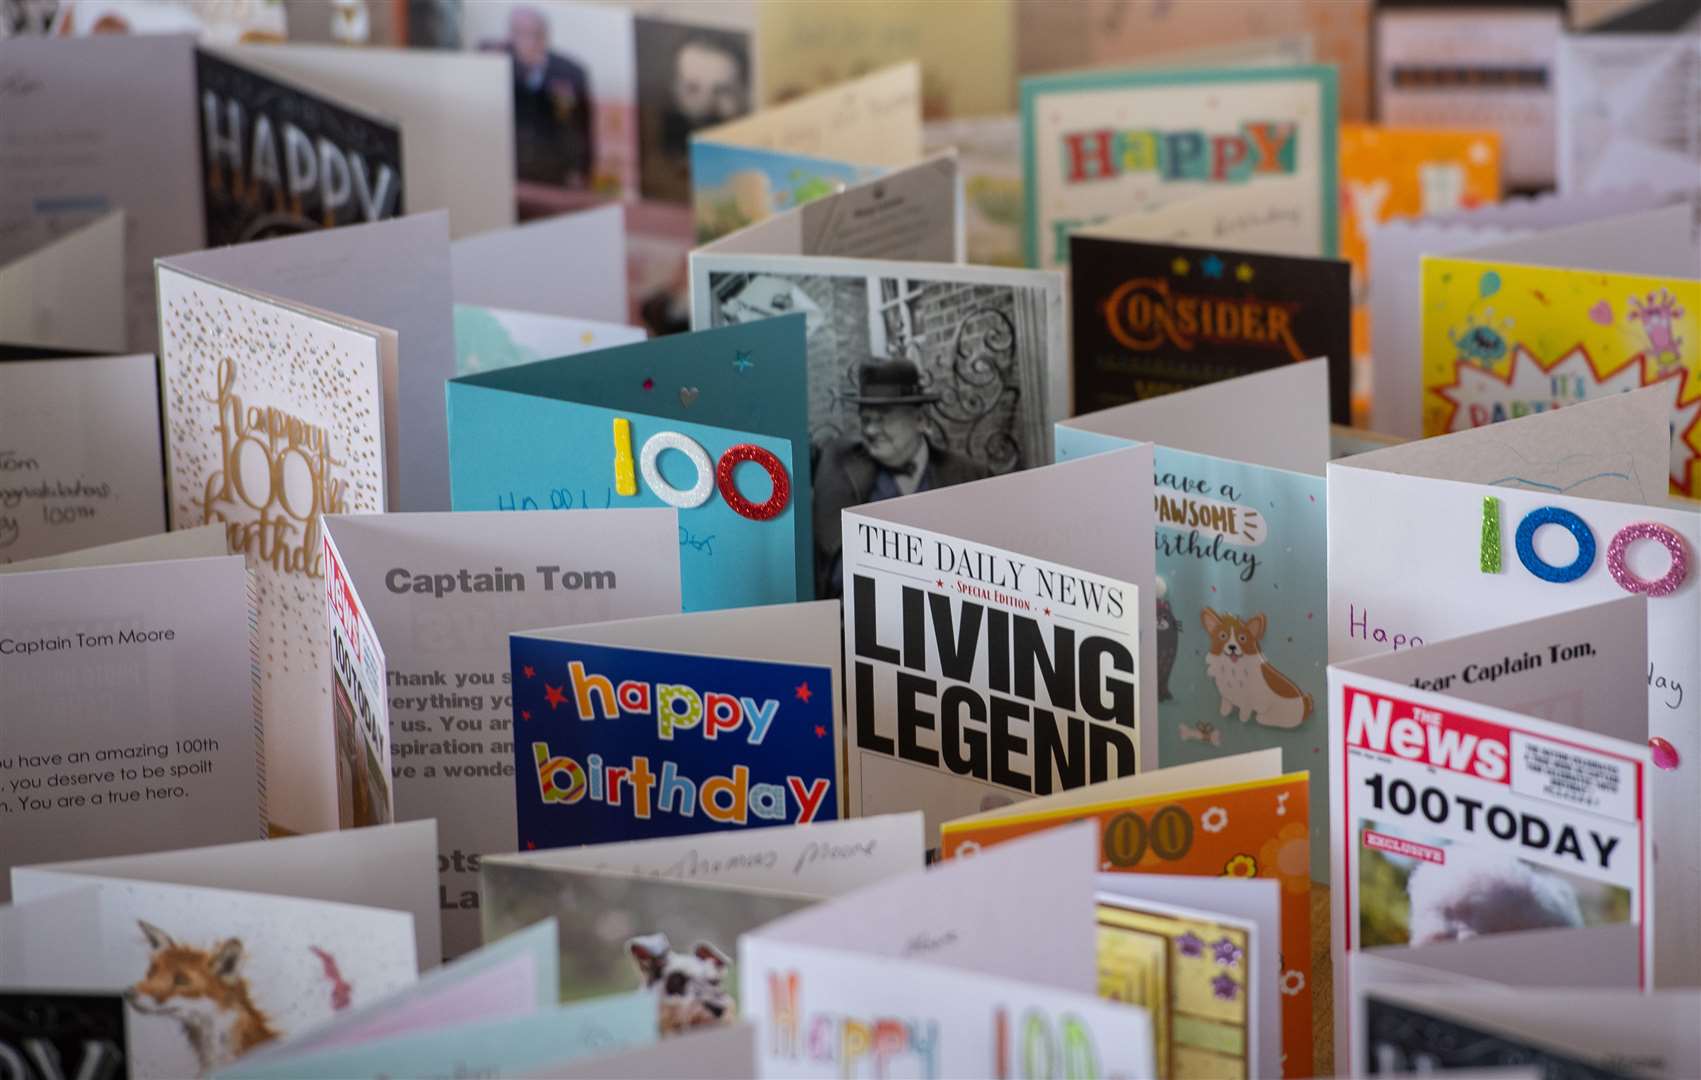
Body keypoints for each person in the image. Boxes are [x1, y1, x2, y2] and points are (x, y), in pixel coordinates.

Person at [813, 360, 990, 597]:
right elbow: (838, 578)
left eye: (884, 418)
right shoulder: (842, 473)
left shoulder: (971, 478)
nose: (872, 431)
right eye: (866, 420)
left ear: (920, 420)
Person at [643, 31, 748, 202]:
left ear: (744, 94)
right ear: (675, 89)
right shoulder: (652, 170)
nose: (706, 104)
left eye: (723, 91)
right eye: (692, 89)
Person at [497, 5, 594, 188]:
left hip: (557, 175)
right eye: (518, 33)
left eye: (533, 34)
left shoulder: (571, 72)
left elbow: (584, 128)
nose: (526, 41)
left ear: (544, 37)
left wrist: (582, 171)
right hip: (511, 172)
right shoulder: (497, 69)